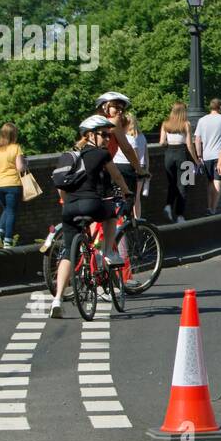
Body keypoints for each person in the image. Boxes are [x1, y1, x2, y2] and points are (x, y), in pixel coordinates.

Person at [50, 116, 131, 318]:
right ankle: (108, 253)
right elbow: (117, 177)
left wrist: (68, 202)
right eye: (103, 134)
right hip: (91, 203)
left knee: (69, 252)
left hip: (69, 208)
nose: (106, 139)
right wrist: (127, 192)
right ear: (89, 135)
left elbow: (60, 186)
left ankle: (57, 299)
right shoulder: (101, 154)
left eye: (108, 135)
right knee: (111, 215)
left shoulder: (69, 156)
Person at [91, 92, 147, 257]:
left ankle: (89, 253)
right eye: (116, 107)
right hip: (101, 173)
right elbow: (127, 149)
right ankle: (107, 255)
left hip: (87, 173)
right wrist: (140, 169)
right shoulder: (112, 123)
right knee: (112, 216)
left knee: (93, 217)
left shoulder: (94, 123)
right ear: (105, 107)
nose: (120, 112)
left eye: (122, 108)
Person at [0, 122, 26, 248]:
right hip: (13, 184)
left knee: (7, 209)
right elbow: (20, 168)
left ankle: (0, 232)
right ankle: (8, 240)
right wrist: (26, 163)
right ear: (14, 135)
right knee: (12, 211)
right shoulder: (16, 148)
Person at [193, 98, 221, 214]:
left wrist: (199, 155)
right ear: (220, 107)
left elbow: (197, 139)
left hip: (206, 155)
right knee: (218, 181)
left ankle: (209, 207)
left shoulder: (202, 120)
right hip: (220, 155)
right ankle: (214, 208)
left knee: (210, 182)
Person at [158, 102, 195, 222]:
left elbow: (162, 142)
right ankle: (180, 215)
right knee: (185, 184)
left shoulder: (165, 124)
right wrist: (196, 159)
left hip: (168, 155)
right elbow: (189, 144)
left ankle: (168, 206)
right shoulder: (186, 124)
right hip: (182, 155)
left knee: (172, 183)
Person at [113, 112, 149, 218]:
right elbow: (144, 155)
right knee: (135, 197)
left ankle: (122, 218)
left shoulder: (121, 138)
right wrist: (145, 168)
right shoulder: (140, 137)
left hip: (121, 166)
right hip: (137, 166)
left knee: (122, 195)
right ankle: (136, 218)